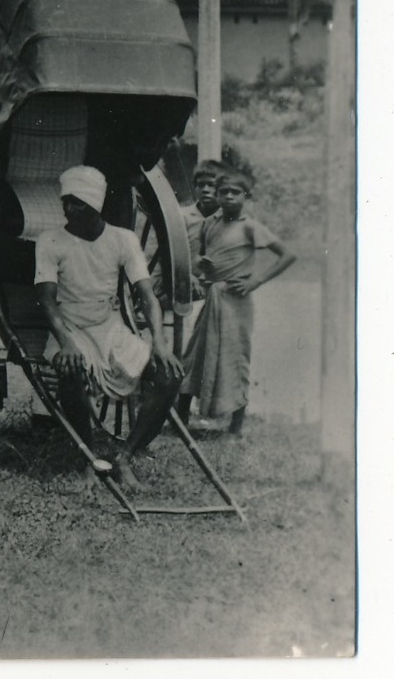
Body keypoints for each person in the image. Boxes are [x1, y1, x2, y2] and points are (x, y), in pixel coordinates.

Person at [36, 165, 182, 488]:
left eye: (77, 203)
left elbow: (147, 296)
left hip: (109, 326)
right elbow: (47, 301)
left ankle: (125, 455)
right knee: (71, 368)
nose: (69, 209)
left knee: (168, 374)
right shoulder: (50, 241)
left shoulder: (122, 239)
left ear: (95, 205)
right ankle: (87, 457)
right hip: (69, 326)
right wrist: (66, 343)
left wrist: (159, 341)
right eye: (66, 202)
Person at [181, 168, 295, 437]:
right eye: (223, 192)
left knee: (236, 358)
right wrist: (203, 265)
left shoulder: (250, 226)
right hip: (213, 299)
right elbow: (200, 259)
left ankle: (235, 427)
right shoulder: (210, 224)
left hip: (236, 301)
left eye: (235, 192)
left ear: (245, 196)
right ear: (217, 196)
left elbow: (288, 255)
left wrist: (255, 282)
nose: (229, 197)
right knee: (196, 354)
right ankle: (181, 420)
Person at [174, 159, 225, 419]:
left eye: (212, 186)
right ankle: (182, 401)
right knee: (199, 331)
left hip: (212, 290)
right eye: (201, 185)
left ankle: (197, 400)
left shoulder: (226, 219)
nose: (206, 190)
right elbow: (171, 256)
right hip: (182, 285)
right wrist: (187, 277)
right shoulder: (183, 217)